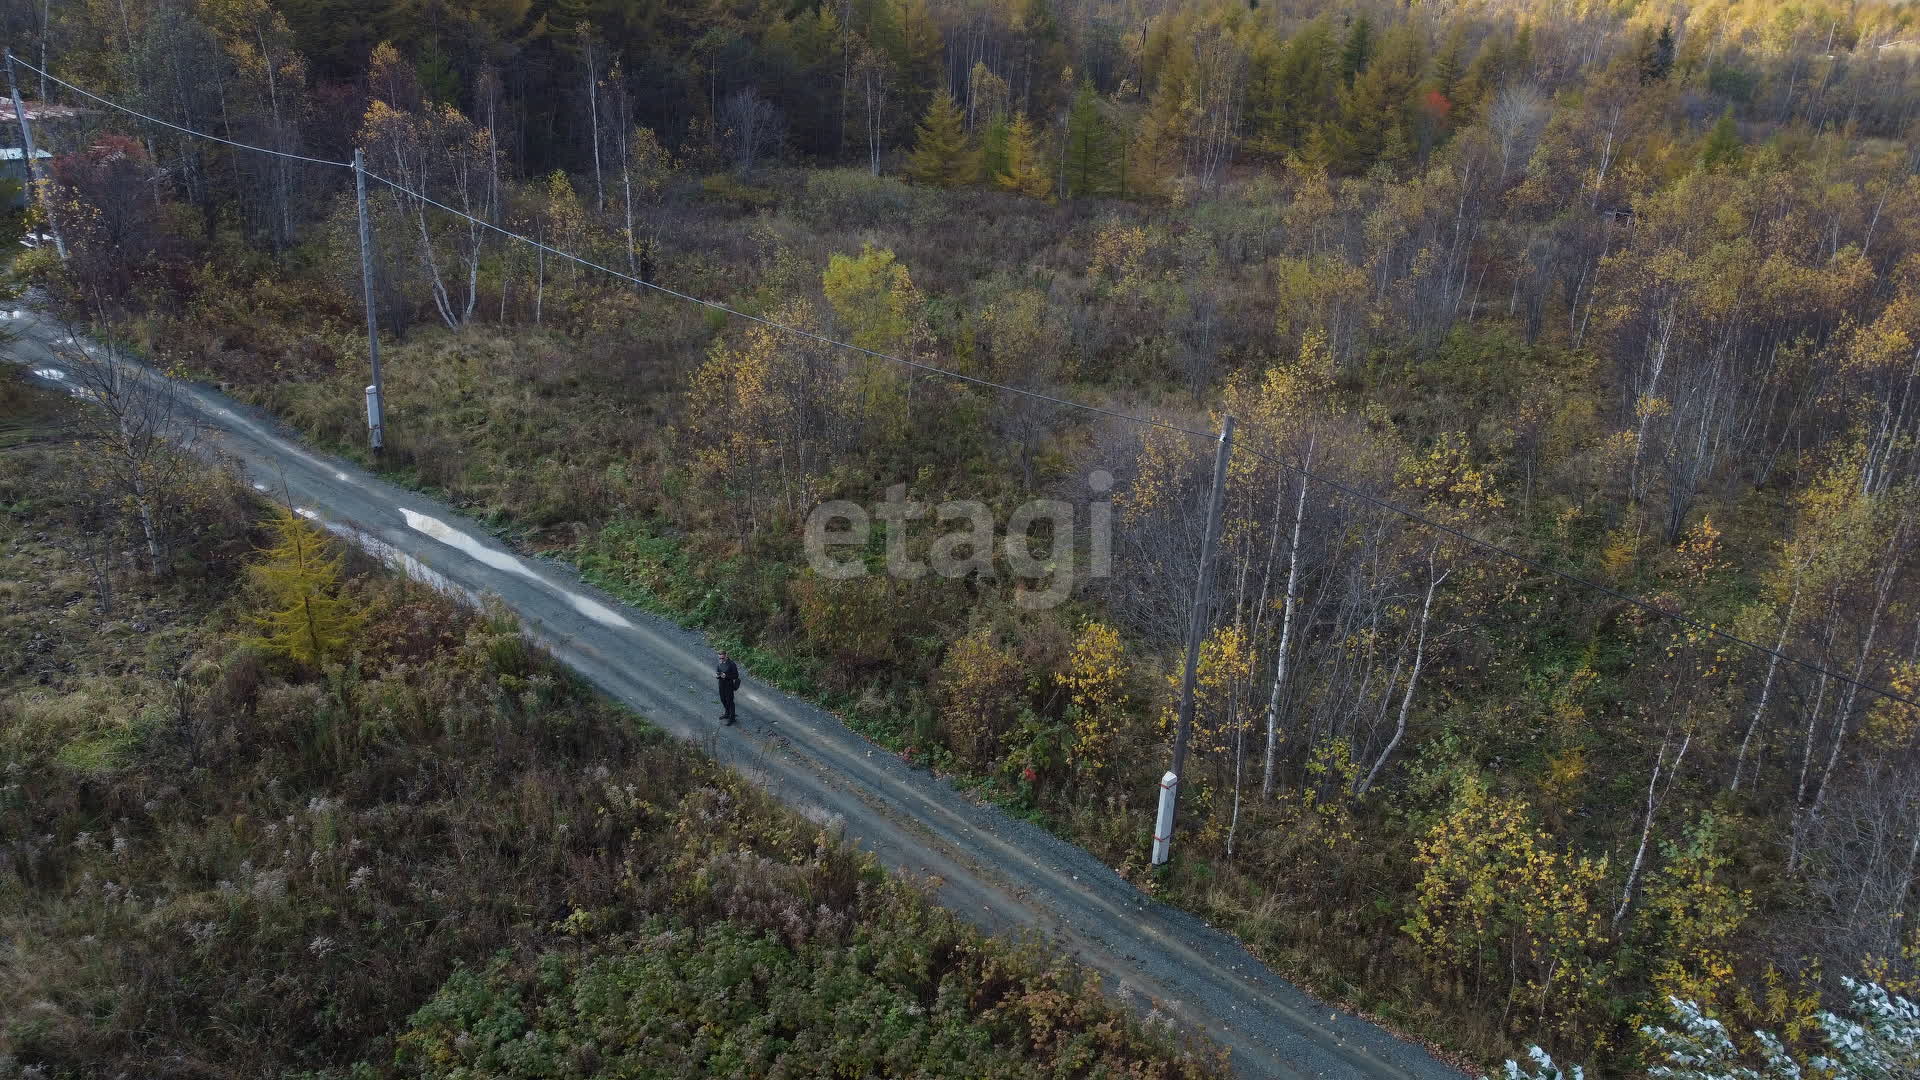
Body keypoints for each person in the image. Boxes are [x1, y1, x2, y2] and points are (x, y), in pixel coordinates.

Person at [716, 650, 741, 724]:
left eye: (722, 658)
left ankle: (732, 717)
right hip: (721, 684)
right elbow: (718, 671)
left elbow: (736, 676)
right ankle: (727, 713)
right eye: (720, 658)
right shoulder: (720, 663)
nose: (721, 660)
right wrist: (717, 676)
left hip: (729, 685)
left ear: (726, 656)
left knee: (730, 701)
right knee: (723, 699)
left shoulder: (732, 664)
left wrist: (726, 676)